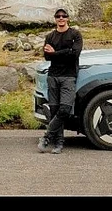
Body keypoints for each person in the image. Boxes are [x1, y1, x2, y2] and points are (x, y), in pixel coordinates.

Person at [38, 8, 83, 154]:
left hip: (68, 76)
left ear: (68, 18)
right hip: (53, 76)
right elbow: (47, 57)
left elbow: (74, 54)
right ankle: (58, 143)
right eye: (58, 16)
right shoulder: (50, 36)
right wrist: (64, 52)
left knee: (64, 109)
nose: (61, 18)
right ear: (55, 19)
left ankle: (46, 136)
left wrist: (55, 53)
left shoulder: (75, 34)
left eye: (64, 16)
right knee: (55, 110)